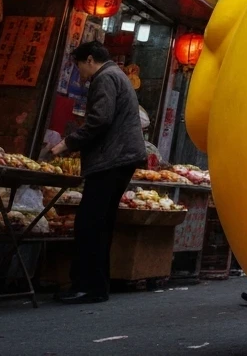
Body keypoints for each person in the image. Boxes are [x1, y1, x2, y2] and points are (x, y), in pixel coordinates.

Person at [49, 42, 147, 304]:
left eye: (79, 65)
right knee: (100, 223)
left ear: (89, 60)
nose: (79, 72)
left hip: (111, 159)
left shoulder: (105, 77)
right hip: (119, 158)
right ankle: (96, 286)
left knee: (90, 223)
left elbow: (100, 120)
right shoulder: (116, 76)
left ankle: (86, 286)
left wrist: (67, 143)